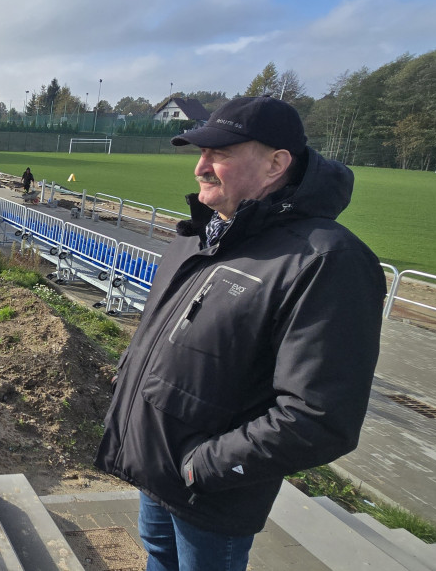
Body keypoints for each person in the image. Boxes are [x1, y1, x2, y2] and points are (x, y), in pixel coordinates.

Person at [93, 96, 385, 570]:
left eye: (220, 154)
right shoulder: (197, 236)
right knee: (158, 558)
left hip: (211, 493)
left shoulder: (325, 261)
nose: (201, 168)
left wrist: (202, 466)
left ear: (276, 163)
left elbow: (319, 416)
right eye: (200, 154)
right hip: (156, 467)